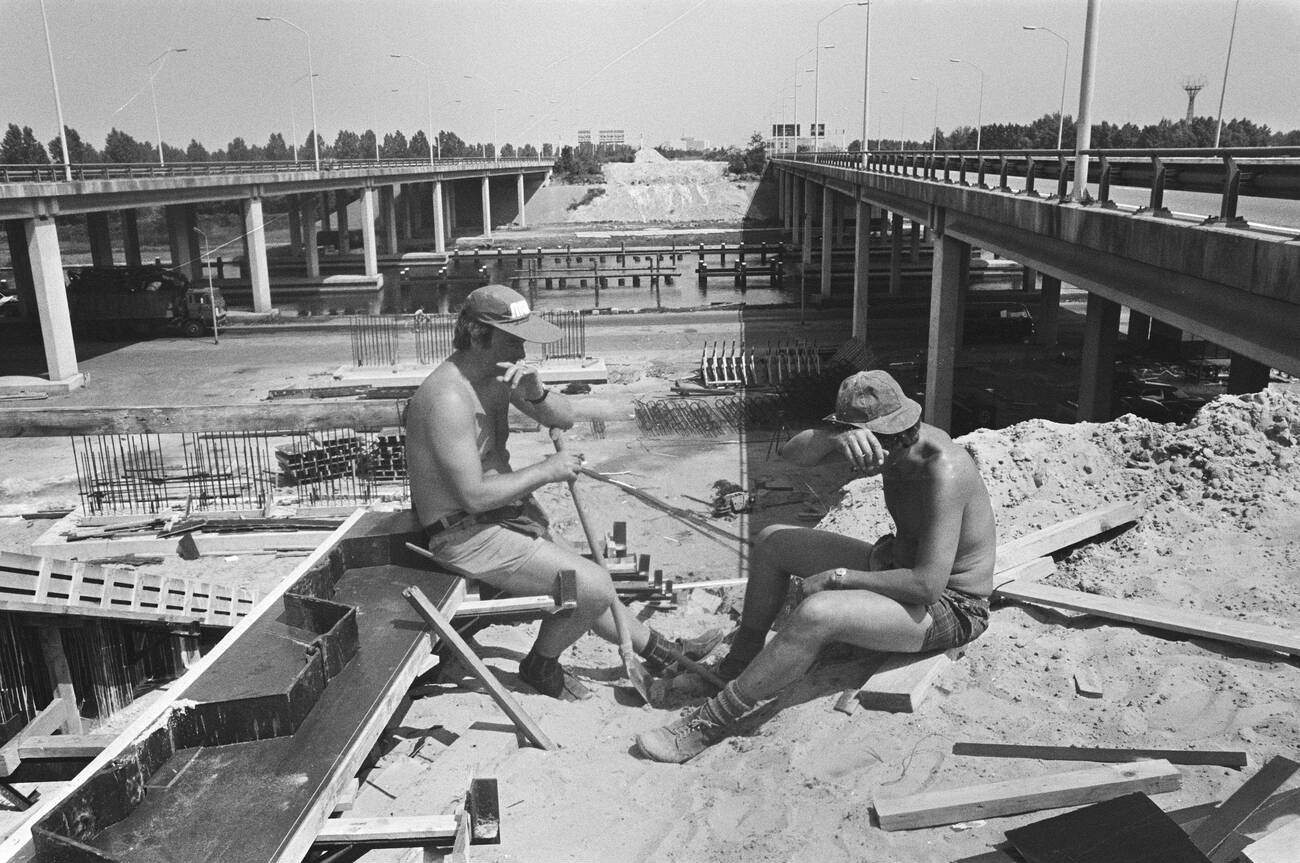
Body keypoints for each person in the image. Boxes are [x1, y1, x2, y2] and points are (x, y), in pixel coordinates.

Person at [636, 370, 996, 762]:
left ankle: (711, 722)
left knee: (816, 613)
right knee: (773, 541)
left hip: (950, 606)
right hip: (898, 566)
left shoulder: (943, 469)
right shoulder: (884, 446)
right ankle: (736, 666)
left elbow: (926, 586)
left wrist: (841, 578)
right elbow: (792, 453)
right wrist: (833, 438)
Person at [405, 284, 721, 698]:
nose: (522, 350)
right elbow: (474, 497)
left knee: (589, 576)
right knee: (592, 585)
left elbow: (565, 417)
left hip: (504, 517)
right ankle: (539, 664)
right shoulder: (448, 398)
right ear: (480, 334)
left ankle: (661, 652)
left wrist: (534, 393)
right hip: (465, 532)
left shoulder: (498, 375)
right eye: (514, 339)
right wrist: (548, 470)